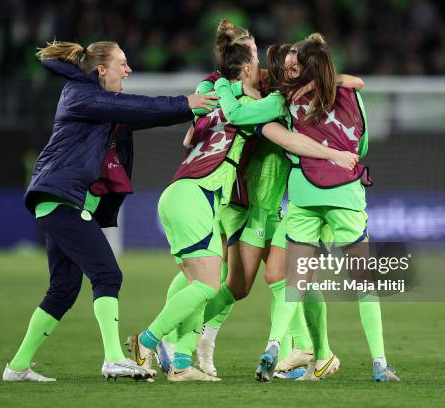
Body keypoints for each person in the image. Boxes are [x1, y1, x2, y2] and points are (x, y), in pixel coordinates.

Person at [127, 21, 356, 382]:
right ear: (247, 64)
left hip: (261, 206)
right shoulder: (254, 99)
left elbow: (344, 82)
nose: (284, 70)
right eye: (251, 51)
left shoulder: (272, 95)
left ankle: (305, 351)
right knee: (225, 280)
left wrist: (328, 83)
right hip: (234, 203)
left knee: (267, 278)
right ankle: (180, 344)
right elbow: (204, 130)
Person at [3, 40, 218, 382]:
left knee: (62, 290)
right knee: (108, 275)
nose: (129, 70)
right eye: (123, 63)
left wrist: (186, 111)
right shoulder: (80, 94)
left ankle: (16, 368)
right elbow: (138, 107)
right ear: (101, 69)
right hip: (62, 200)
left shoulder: (99, 102)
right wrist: (185, 103)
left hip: (66, 201)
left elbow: (143, 114)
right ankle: (114, 358)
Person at [263, 33, 399, 382]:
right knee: (364, 283)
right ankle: (380, 363)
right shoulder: (351, 94)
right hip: (345, 194)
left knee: (297, 282)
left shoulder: (286, 101)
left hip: (304, 193)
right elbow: (362, 143)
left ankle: (275, 344)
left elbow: (272, 130)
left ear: (302, 68)